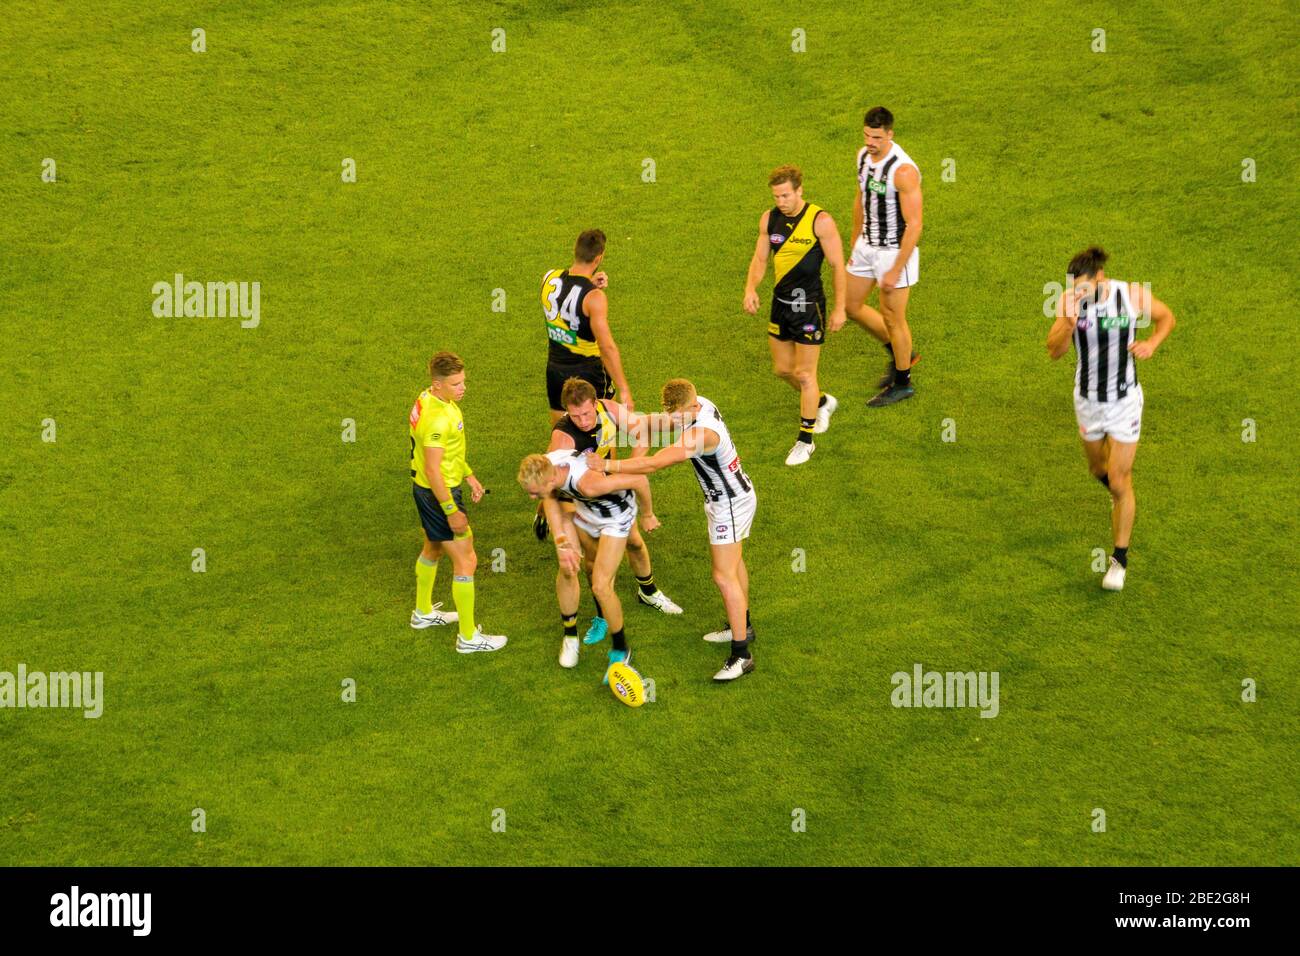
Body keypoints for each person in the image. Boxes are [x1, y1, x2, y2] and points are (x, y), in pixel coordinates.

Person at [587, 379, 756, 682]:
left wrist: (608, 466)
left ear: (691, 406)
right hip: (735, 496)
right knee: (734, 563)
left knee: (722, 574)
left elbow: (653, 465)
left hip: (728, 505)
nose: (674, 421)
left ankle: (741, 654)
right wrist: (636, 428)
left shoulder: (700, 435)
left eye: (678, 416)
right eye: (672, 415)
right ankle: (742, 625)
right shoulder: (697, 404)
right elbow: (654, 424)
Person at [1046, 246, 1176, 591]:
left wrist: (1152, 343)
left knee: (1119, 480)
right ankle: (1121, 498)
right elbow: (1054, 351)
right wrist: (1068, 322)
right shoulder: (1069, 302)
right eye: (1074, 287)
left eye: (1083, 287)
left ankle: (1119, 559)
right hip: (1088, 401)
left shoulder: (1130, 295)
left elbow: (1167, 317)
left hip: (1124, 402)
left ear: (1100, 277)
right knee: (1097, 469)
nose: (1078, 293)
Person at [550, 377, 682, 647]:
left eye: (587, 413)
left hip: (614, 487)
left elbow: (643, 432)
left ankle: (649, 592)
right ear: (567, 412)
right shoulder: (562, 438)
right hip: (583, 499)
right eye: (575, 416)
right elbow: (553, 485)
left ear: (595, 403)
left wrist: (629, 465)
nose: (583, 420)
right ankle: (601, 616)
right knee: (592, 561)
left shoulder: (609, 409)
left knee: (634, 543)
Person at [518, 450, 658, 681]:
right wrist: (562, 542)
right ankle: (571, 637)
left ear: (551, 480)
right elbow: (550, 498)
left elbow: (639, 480)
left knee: (601, 587)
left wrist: (648, 514)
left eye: (534, 493)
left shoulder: (588, 484)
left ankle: (621, 649)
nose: (532, 498)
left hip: (616, 518)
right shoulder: (547, 464)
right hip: (587, 511)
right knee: (578, 568)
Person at [743, 165, 848, 465]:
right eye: (776, 196)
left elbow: (838, 266)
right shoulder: (770, 218)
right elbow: (761, 257)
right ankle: (823, 402)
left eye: (786, 195)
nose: (781, 201)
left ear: (800, 190)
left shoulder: (820, 221)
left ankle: (806, 440)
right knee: (782, 369)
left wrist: (840, 308)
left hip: (808, 306)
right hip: (780, 303)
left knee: (804, 374)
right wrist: (750, 288)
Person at [408, 352, 507, 651]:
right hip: (439, 494)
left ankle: (422, 612)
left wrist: (469, 474)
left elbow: (445, 455)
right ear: (437, 384)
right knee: (467, 560)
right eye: (455, 384)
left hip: (428, 490)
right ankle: (468, 638)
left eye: (463, 381)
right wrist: (451, 510)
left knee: (433, 547)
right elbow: (433, 469)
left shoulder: (428, 399)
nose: (463, 388)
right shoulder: (438, 419)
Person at [845, 106, 924, 407]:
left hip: (893, 251)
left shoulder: (903, 172)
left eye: (877, 137)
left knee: (893, 317)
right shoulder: (862, 157)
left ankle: (903, 382)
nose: (871, 142)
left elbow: (915, 224)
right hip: (867, 245)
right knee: (851, 306)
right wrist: (855, 239)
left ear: (890, 134)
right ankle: (903, 354)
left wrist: (895, 270)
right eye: (867, 135)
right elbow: (860, 197)